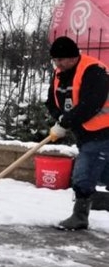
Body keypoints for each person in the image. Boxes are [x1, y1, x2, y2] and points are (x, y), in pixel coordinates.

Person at [46, 36, 109, 230]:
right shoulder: (59, 74)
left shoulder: (94, 70)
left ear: (73, 57)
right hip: (84, 132)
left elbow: (92, 102)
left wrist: (67, 121)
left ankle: (80, 216)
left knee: (85, 170)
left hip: (104, 130)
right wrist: (60, 119)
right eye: (55, 60)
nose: (58, 64)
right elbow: (50, 101)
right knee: (106, 173)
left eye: (61, 59)